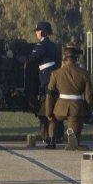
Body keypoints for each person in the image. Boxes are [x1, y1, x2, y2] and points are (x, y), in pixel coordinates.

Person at [45, 45, 93, 151]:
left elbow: (49, 94)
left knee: (52, 119)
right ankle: (73, 139)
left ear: (65, 58)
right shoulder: (84, 73)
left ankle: (52, 140)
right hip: (76, 108)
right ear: (76, 58)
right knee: (75, 123)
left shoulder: (56, 73)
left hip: (60, 108)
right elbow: (89, 96)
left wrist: (48, 112)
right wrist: (89, 113)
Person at [24, 20, 63, 148]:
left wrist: (15, 57)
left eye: (37, 31)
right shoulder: (53, 45)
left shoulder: (41, 45)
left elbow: (31, 59)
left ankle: (49, 136)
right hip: (52, 75)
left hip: (46, 78)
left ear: (42, 32)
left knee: (47, 107)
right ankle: (57, 135)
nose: (36, 33)